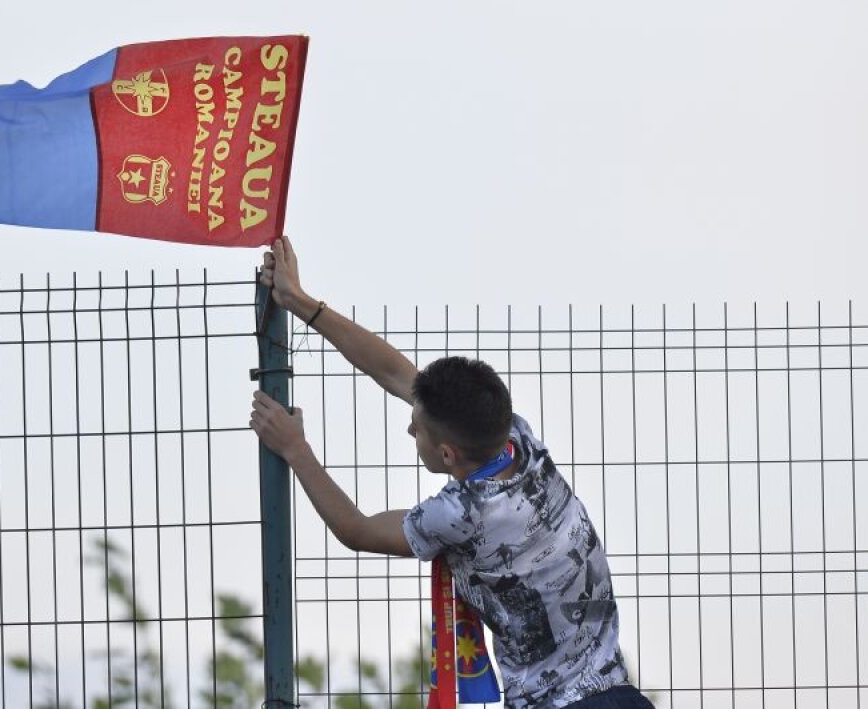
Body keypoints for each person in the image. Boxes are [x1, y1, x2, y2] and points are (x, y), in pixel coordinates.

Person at [249, 237, 654, 709]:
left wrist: (295, 449)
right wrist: (299, 301)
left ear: (446, 454)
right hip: (619, 693)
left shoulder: (460, 514)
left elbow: (355, 530)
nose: (408, 427)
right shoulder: (517, 440)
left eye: (416, 430)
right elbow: (398, 374)